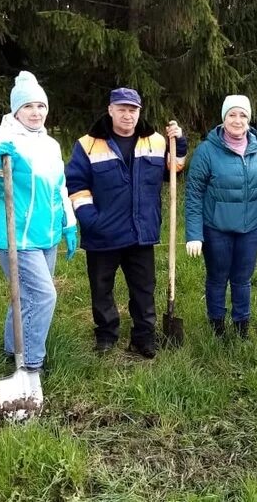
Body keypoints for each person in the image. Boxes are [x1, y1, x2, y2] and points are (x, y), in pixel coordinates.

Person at [65, 88, 186, 359]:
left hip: (140, 232)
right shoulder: (88, 144)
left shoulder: (155, 140)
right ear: (110, 110)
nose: (127, 115)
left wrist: (181, 143)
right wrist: (90, 219)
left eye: (132, 110)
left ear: (139, 112)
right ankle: (106, 335)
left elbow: (174, 169)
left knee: (144, 289)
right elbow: (76, 184)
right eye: (121, 109)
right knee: (101, 289)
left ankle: (144, 337)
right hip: (102, 234)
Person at [0, 71, 77, 373]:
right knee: (43, 296)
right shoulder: (3, 142)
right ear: (16, 110)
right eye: (28, 107)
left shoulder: (50, 145)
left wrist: (69, 223)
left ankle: (13, 348)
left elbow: (60, 187)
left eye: (41, 106)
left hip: (47, 236)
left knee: (25, 297)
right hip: (17, 237)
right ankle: (31, 363)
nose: (36, 112)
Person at [184, 95, 257, 339]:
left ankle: (242, 326)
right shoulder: (207, 151)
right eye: (232, 115)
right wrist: (194, 234)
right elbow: (194, 194)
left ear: (249, 119)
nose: (237, 120)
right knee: (217, 278)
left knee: (242, 279)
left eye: (243, 115)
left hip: (250, 229)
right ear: (224, 118)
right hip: (216, 228)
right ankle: (217, 327)